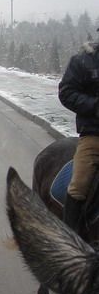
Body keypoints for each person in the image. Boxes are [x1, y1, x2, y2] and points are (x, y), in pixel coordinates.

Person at [58, 37, 99, 231]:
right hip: (94, 134)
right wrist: (95, 106)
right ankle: (70, 241)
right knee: (79, 184)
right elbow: (66, 92)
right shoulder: (84, 60)